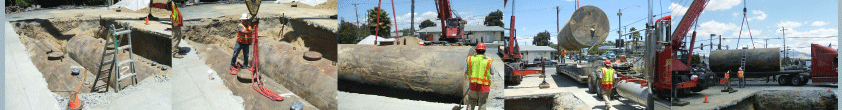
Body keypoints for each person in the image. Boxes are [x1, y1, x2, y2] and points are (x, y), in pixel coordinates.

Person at [465, 43, 492, 110]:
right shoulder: (488, 60)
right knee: (482, 103)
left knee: (471, 101)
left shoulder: (470, 59)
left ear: (476, 50)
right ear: (484, 51)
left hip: (473, 85)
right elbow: (493, 72)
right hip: (484, 86)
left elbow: (466, 71)